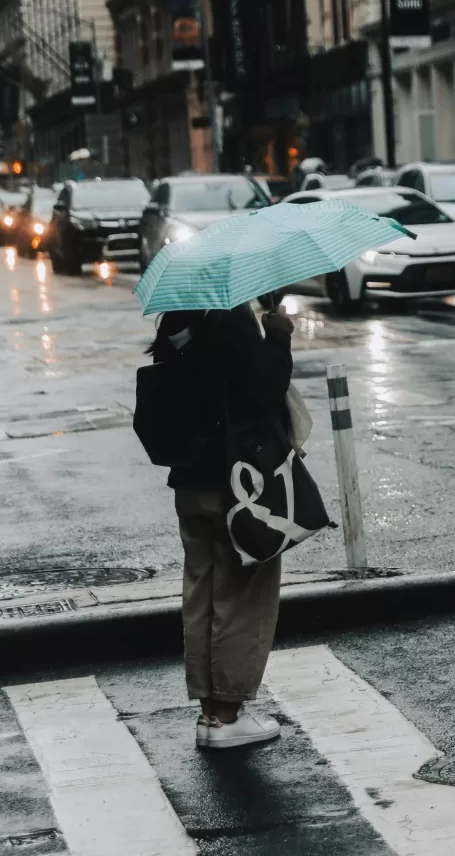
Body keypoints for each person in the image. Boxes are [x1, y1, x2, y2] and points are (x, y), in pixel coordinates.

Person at [147, 301, 295, 749]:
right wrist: (279, 332)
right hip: (236, 482)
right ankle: (228, 715)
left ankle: (211, 713)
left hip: (191, 481)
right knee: (244, 593)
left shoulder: (177, 322)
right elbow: (264, 389)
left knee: (203, 594)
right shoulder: (230, 319)